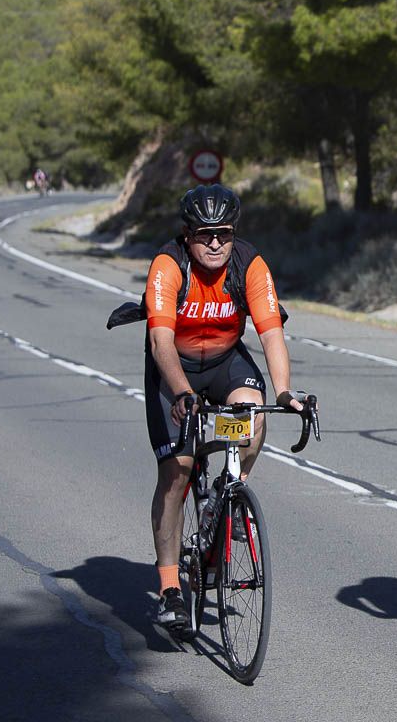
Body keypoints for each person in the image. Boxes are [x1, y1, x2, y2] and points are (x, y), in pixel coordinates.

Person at [140, 183, 303, 635]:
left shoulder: (249, 263)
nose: (215, 242)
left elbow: (271, 333)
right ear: (187, 234)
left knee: (252, 416)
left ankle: (231, 491)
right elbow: (160, 342)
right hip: (176, 366)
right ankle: (170, 588)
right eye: (204, 234)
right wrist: (180, 393)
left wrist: (285, 390)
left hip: (227, 360)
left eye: (224, 233)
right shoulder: (168, 265)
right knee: (178, 469)